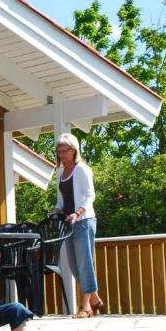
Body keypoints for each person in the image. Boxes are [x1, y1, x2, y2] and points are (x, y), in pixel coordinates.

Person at [49, 132, 104, 318]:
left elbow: (90, 196)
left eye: (65, 150)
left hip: (83, 221)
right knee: (74, 265)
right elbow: (60, 201)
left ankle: (85, 307)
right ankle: (95, 299)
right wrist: (55, 211)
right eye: (59, 151)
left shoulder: (82, 170)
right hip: (68, 224)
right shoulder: (60, 173)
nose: (61, 154)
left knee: (84, 264)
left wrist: (77, 213)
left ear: (74, 151)